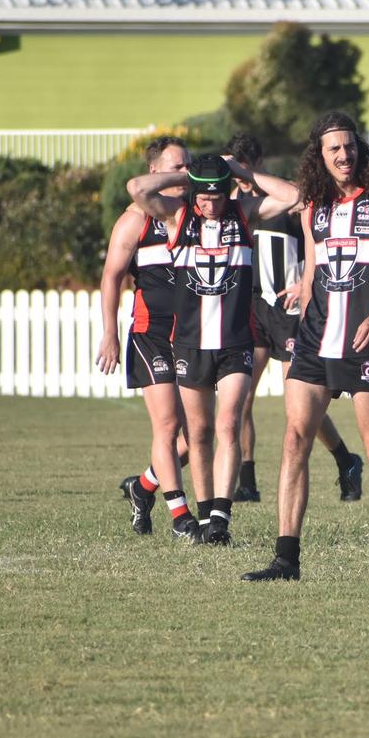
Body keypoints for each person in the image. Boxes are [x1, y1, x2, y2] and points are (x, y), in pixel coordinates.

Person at [242, 111, 369, 582]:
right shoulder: (313, 205)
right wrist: (300, 311)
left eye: (349, 146)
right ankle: (286, 559)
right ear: (321, 154)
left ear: (360, 149)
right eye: (333, 148)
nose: (343, 154)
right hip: (314, 339)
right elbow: (313, 271)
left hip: (367, 340)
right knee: (295, 437)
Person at [127, 153, 300, 544]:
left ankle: (220, 517)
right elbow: (136, 188)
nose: (208, 204)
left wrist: (241, 171)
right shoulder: (178, 215)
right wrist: (184, 175)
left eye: (215, 196)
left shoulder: (243, 214)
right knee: (200, 433)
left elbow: (291, 194)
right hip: (189, 344)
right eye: (202, 197)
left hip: (235, 342)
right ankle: (204, 516)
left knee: (228, 425)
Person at [222, 133, 365, 504]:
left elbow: (316, 230)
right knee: (242, 398)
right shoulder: (230, 204)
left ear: (256, 165)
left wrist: (305, 282)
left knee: (299, 408)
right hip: (254, 308)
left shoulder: (283, 197)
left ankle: (345, 459)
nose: (238, 182)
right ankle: (248, 481)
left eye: (243, 173)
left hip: (289, 313)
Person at [97, 136, 198, 538]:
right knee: (168, 425)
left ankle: (143, 488)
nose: (185, 174)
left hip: (191, 335)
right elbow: (111, 278)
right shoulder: (135, 220)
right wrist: (110, 334)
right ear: (154, 172)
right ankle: (181, 518)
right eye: (177, 166)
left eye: (188, 165)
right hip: (150, 333)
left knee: (198, 434)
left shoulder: (195, 215)